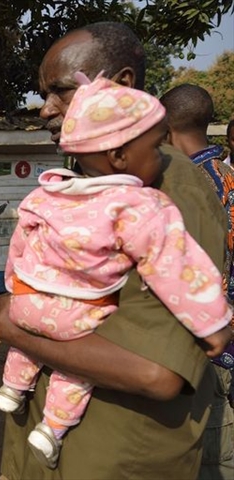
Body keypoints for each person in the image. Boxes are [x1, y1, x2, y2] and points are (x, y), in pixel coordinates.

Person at [0, 21, 229, 479]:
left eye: (60, 92)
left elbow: (158, 373)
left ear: (121, 85)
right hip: (55, 447)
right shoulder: (86, 178)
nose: (44, 110)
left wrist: (8, 326)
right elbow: (62, 303)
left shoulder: (164, 193)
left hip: (109, 456)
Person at [0, 74, 232, 468]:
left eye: (60, 91)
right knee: (79, 364)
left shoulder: (50, 191)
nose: (47, 108)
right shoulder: (138, 205)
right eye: (157, 146)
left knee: (38, 337)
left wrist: (15, 294)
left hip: (28, 305)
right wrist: (213, 323)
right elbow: (175, 270)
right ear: (120, 156)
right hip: (76, 318)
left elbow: (20, 248)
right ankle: (53, 425)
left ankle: (13, 384)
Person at [160, 83, 234, 478]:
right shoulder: (227, 176)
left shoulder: (184, 188)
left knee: (210, 458)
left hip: (209, 351)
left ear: (165, 129)